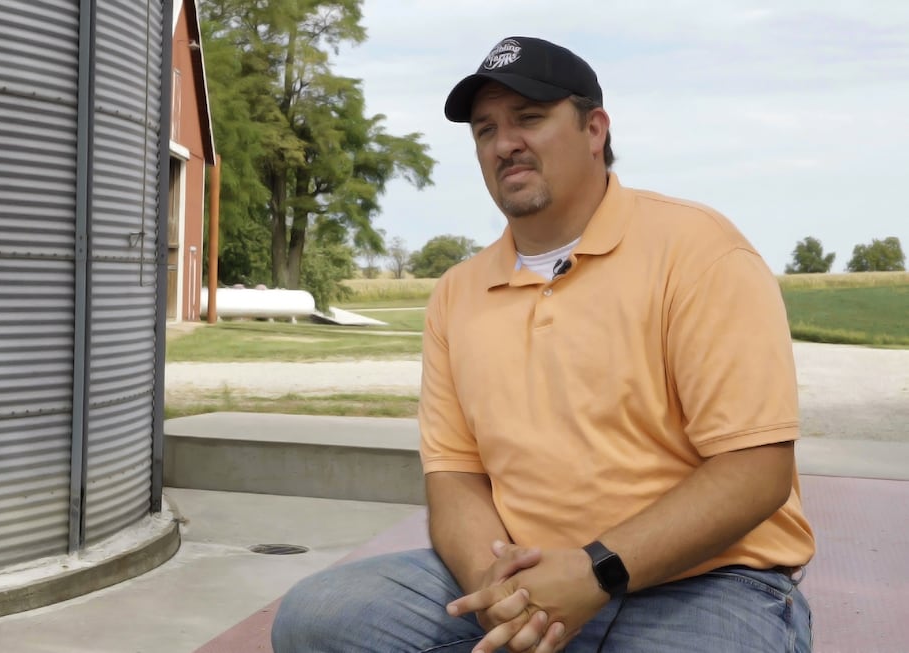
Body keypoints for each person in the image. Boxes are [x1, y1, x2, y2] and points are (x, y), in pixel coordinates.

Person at [271, 35, 814, 653]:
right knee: (318, 615)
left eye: (529, 118)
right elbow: (456, 477)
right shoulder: (458, 293)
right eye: (485, 130)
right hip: (522, 574)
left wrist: (594, 572)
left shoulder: (699, 252)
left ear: (594, 129)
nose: (505, 144)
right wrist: (495, 590)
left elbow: (755, 471)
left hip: (704, 582)